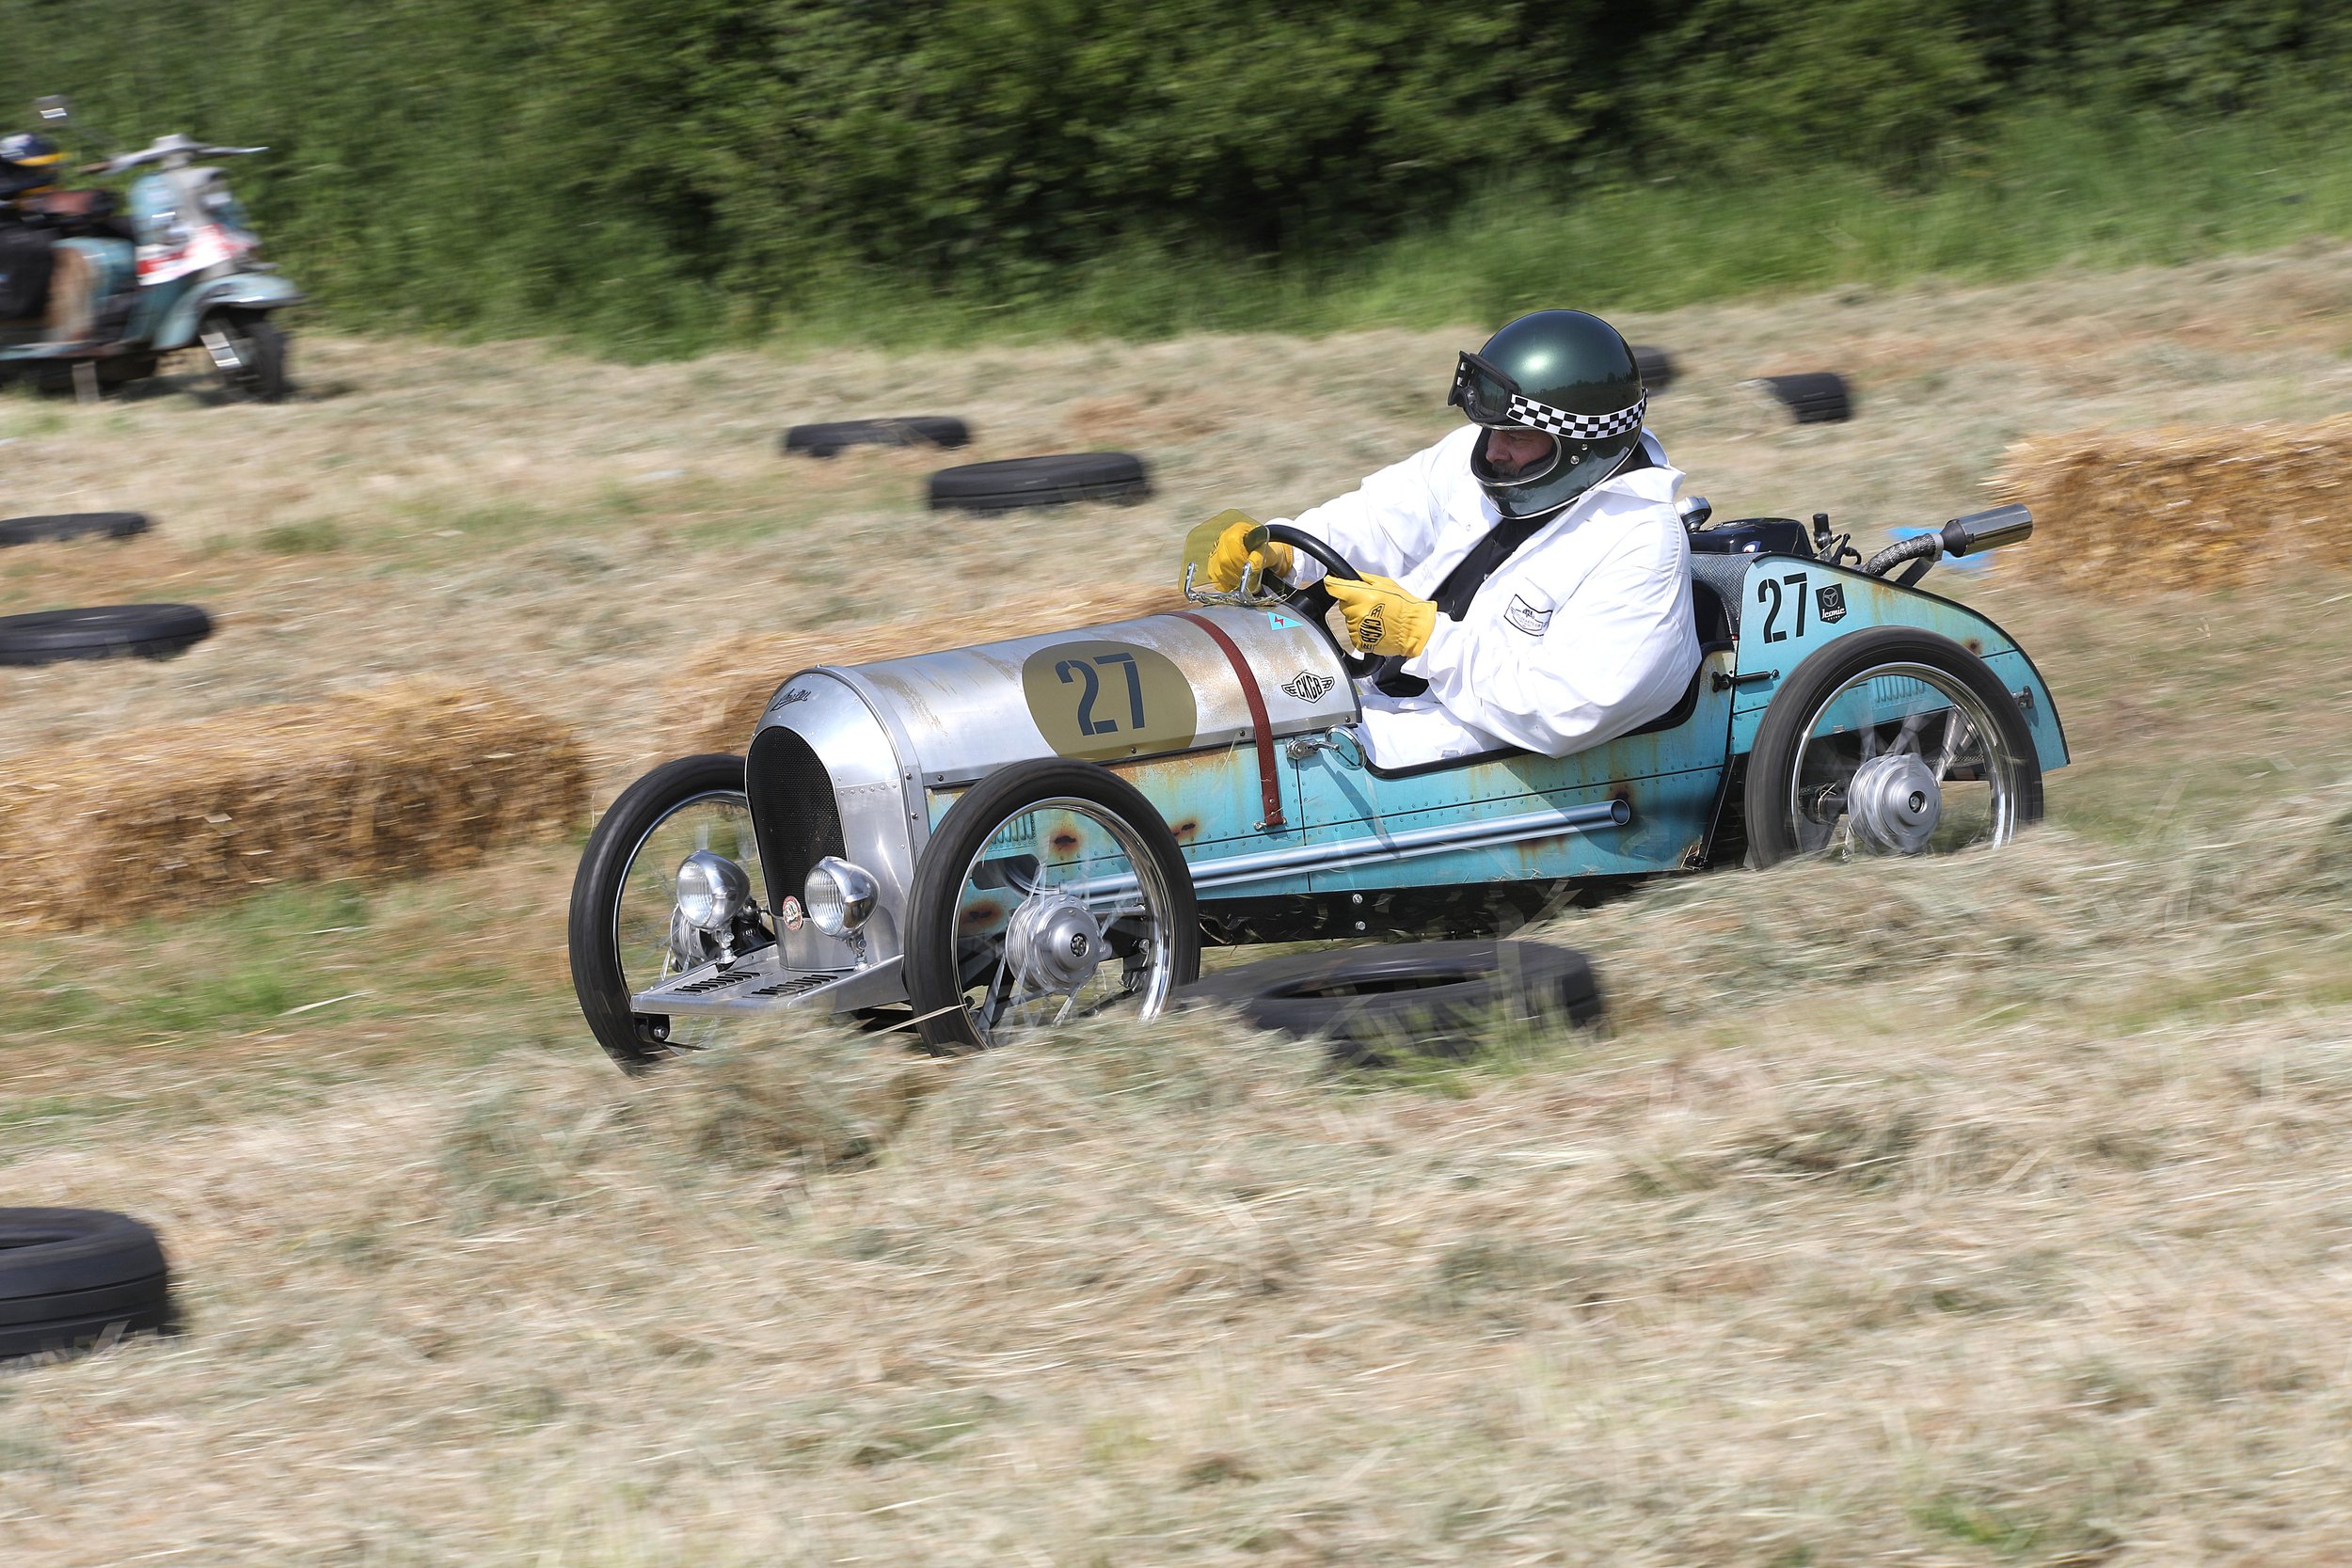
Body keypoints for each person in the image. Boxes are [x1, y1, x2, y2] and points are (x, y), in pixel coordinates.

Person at [1200, 309, 1701, 769]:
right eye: (1491, 429)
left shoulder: (1641, 541)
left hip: (1478, 749)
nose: (1494, 450)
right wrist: (1284, 552)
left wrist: (1426, 640)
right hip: (1387, 704)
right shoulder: (1482, 459)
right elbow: (1378, 519)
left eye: (1516, 436)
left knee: (1256, 761)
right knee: (1215, 711)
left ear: (1580, 445)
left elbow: (1571, 710)